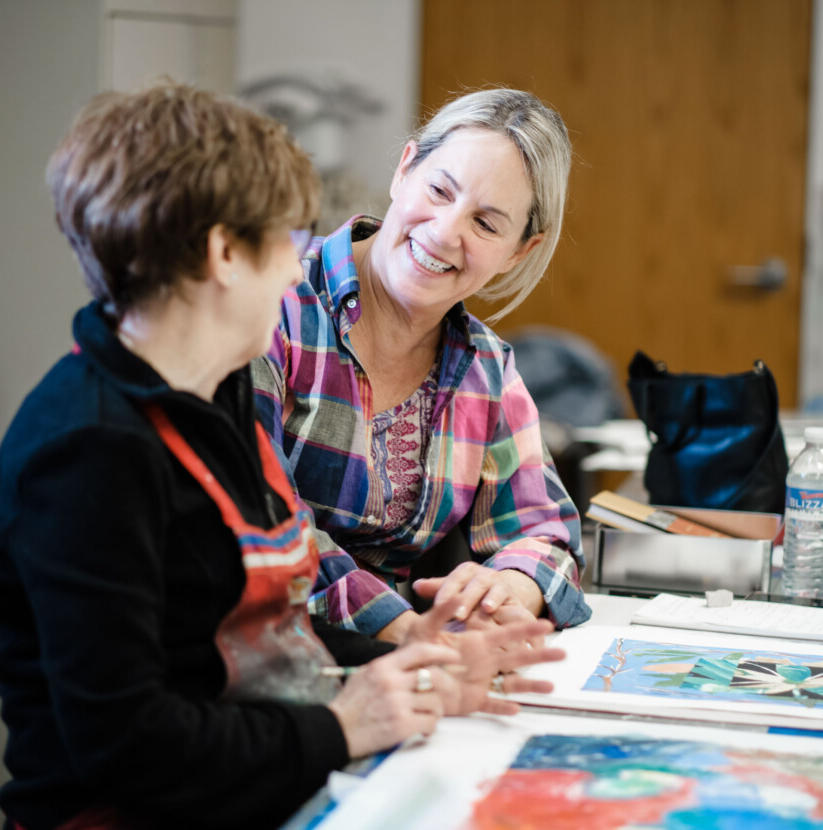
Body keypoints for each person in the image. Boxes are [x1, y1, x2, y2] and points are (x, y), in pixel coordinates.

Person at [0, 82, 563, 830]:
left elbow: (253, 643)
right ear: (224, 254)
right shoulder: (86, 452)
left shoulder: (209, 394)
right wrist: (346, 723)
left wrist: (409, 658)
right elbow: (128, 747)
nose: (298, 272)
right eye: (285, 244)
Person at [253, 88, 593, 644]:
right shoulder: (272, 301)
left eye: (486, 224)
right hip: (255, 659)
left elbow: (545, 531)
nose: (444, 231)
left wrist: (507, 588)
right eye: (439, 189)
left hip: (401, 662)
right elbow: (262, 518)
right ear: (405, 168)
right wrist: (409, 631)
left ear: (518, 252)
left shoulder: (486, 368)